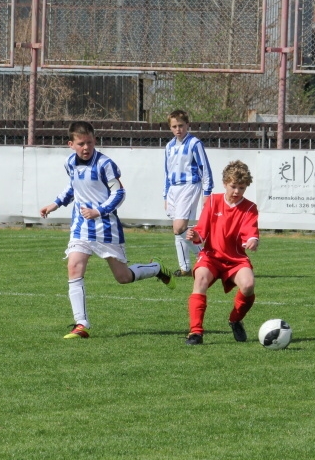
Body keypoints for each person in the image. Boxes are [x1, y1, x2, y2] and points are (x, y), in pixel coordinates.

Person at [40, 121, 175, 339]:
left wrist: (99, 211)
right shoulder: (70, 163)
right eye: (81, 144)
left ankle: (156, 268)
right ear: (71, 144)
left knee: (123, 277)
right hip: (81, 227)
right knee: (74, 266)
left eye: (90, 143)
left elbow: (119, 193)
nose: (86, 148)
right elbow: (72, 186)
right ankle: (81, 324)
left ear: (95, 141)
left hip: (106, 228)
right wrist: (54, 204)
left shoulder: (105, 164)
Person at [183, 160, 259, 345]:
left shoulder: (249, 207)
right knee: (200, 280)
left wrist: (252, 240)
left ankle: (235, 319)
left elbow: (250, 232)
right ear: (225, 183)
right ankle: (196, 333)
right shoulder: (213, 202)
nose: (237, 192)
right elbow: (201, 232)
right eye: (233, 186)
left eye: (241, 188)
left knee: (248, 285)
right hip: (211, 257)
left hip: (236, 259)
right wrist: (194, 234)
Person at [163, 109, 213, 276]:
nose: (178, 129)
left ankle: (205, 256)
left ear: (188, 125)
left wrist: (207, 192)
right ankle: (185, 268)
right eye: (175, 126)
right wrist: (165, 194)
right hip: (173, 189)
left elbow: (204, 168)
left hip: (189, 186)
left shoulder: (194, 143)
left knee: (179, 227)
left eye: (181, 126)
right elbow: (166, 172)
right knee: (178, 230)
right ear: (170, 128)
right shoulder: (169, 146)